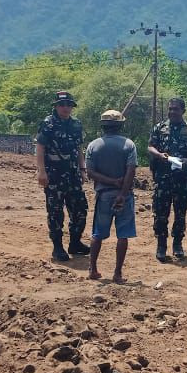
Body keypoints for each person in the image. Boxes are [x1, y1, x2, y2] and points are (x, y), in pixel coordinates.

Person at [35, 90, 90, 262]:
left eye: (68, 105)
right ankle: (57, 247)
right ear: (56, 106)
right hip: (54, 174)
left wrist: (82, 169)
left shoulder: (76, 124)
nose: (65, 108)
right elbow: (40, 148)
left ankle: (75, 243)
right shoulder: (48, 124)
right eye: (62, 105)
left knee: (80, 209)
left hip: (73, 173)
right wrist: (41, 171)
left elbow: (79, 148)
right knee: (55, 211)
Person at [146, 97, 187, 262]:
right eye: (170, 109)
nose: (172, 111)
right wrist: (158, 154)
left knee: (181, 213)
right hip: (162, 178)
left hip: (183, 179)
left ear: (183, 111)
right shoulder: (160, 127)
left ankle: (177, 244)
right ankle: (161, 246)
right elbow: (150, 146)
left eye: (175, 109)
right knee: (161, 213)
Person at [85, 110, 138, 283]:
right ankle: (117, 273)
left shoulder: (93, 146)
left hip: (104, 195)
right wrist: (122, 192)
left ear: (103, 126)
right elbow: (131, 171)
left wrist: (111, 181)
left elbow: (90, 173)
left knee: (98, 234)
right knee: (122, 235)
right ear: (121, 125)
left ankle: (92, 270)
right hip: (125, 196)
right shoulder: (129, 145)